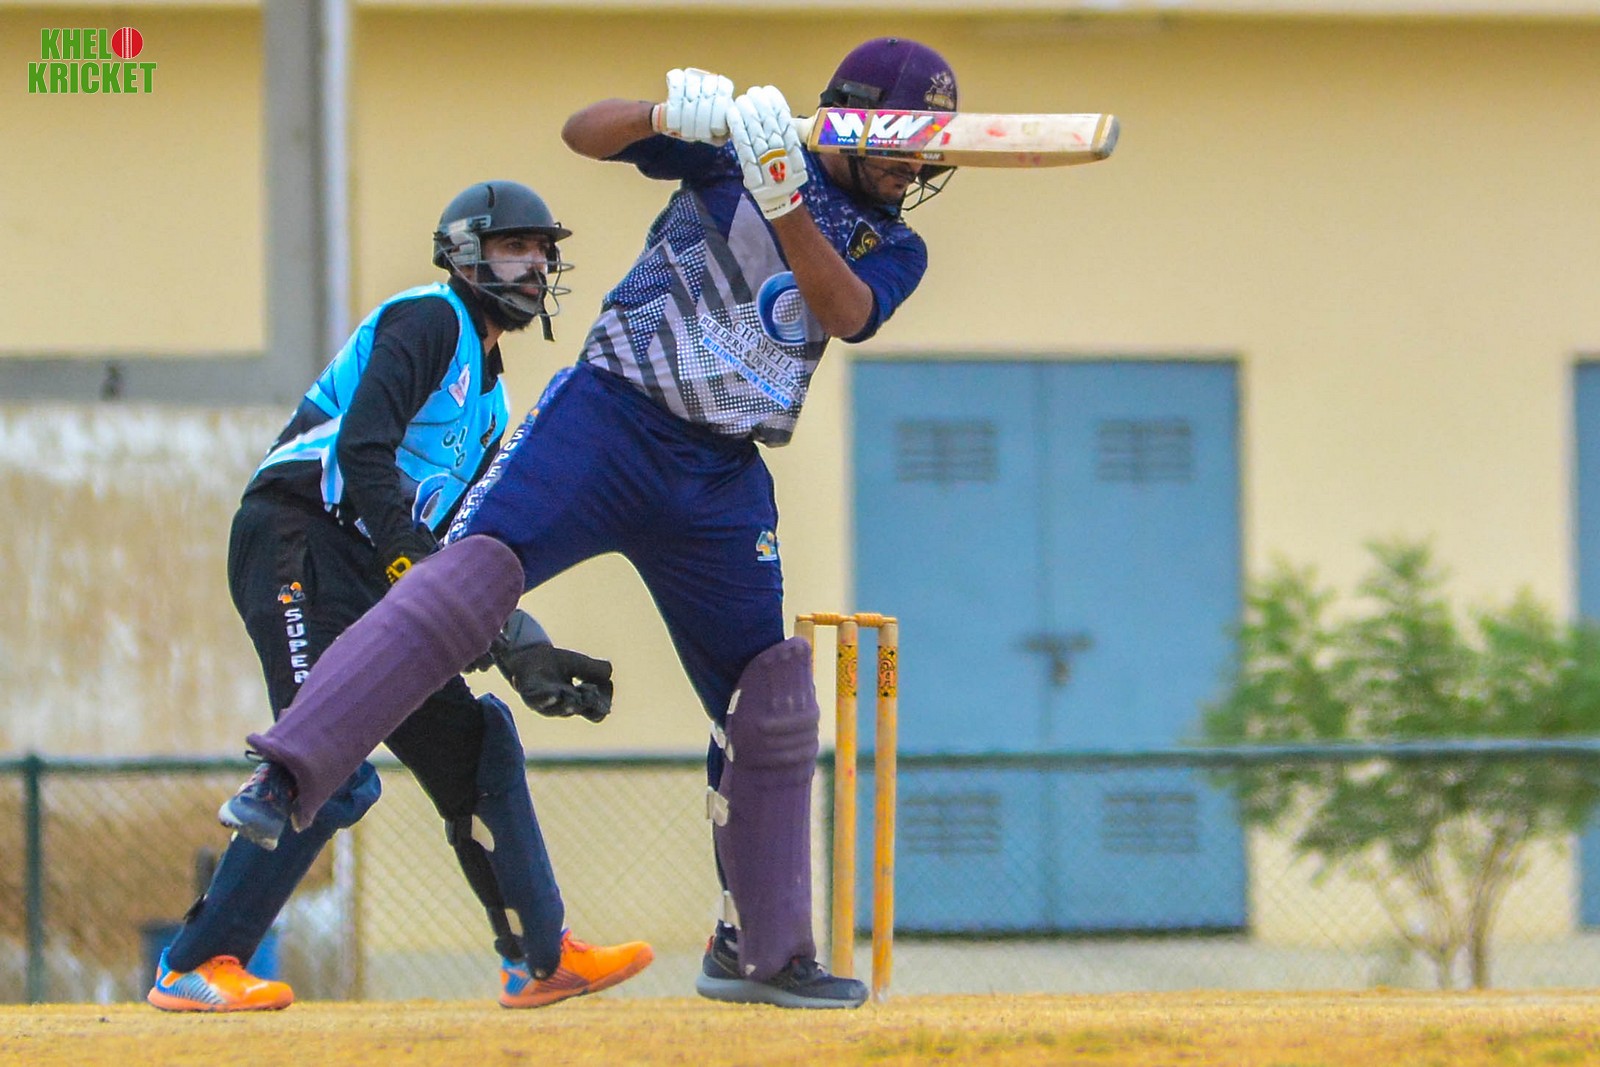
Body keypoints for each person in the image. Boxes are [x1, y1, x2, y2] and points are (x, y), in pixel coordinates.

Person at [218, 38, 959, 1010]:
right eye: (902, 146)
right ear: (851, 122)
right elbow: (584, 133)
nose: (915, 168)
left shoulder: (894, 244)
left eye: (927, 152)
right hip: (609, 416)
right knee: (467, 578)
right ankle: (284, 775)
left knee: (768, 694)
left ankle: (759, 949)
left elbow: (846, 312)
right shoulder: (728, 158)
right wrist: (668, 116)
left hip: (719, 472)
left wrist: (784, 198)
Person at [150, 180, 653, 1012]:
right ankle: (193, 964)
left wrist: (518, 642)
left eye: (541, 251)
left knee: (479, 745)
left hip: (370, 566)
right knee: (329, 760)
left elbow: (450, 553)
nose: (533, 266)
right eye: (514, 247)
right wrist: (411, 570)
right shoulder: (430, 320)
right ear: (464, 253)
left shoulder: (490, 406)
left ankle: (540, 956)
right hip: (297, 537)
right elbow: (363, 449)